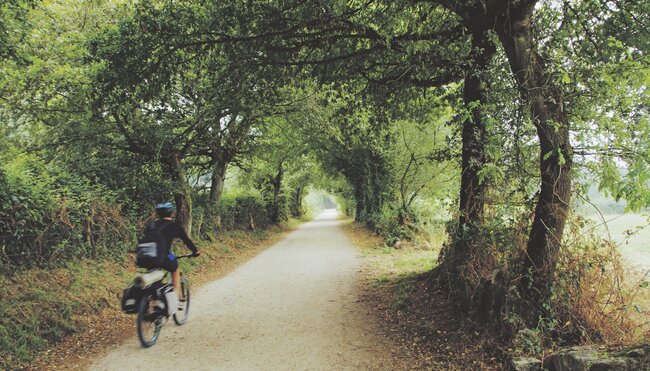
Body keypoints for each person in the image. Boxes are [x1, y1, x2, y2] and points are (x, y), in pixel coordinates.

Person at [148, 202, 200, 295]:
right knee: (175, 268)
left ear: (158, 213)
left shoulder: (151, 225)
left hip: (147, 256)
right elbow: (186, 240)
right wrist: (195, 251)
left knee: (153, 277)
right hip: (164, 256)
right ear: (172, 213)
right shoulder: (175, 226)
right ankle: (175, 296)